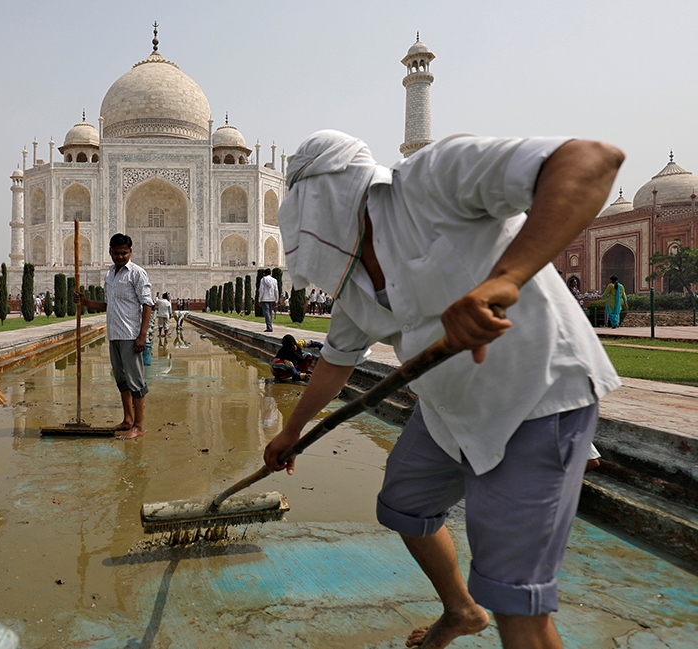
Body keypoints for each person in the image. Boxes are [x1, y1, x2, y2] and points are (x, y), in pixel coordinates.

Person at [264, 130, 623, 649]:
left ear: (325, 191)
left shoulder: (431, 179)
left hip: (533, 397)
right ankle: (461, 609)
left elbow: (591, 159)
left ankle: (494, 605)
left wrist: (505, 279)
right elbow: (336, 361)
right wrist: (292, 432)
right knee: (403, 504)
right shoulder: (352, 278)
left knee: (514, 598)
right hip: (447, 410)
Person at [76, 233, 154, 440]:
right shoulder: (110, 274)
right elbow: (108, 305)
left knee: (136, 382)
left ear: (130, 252)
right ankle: (128, 420)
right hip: (115, 334)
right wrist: (86, 302)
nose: (120, 256)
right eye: (116, 253)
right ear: (110, 252)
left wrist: (142, 336)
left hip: (130, 335)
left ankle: (138, 426)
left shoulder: (137, 274)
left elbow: (147, 304)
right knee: (121, 380)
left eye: (124, 253)